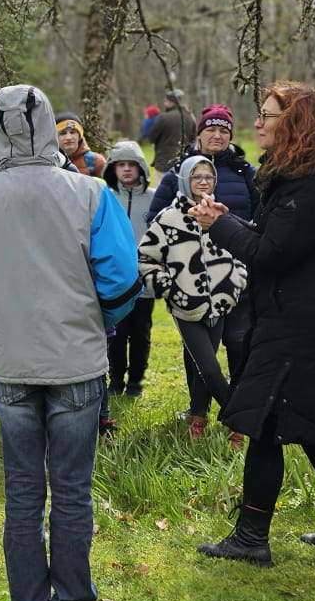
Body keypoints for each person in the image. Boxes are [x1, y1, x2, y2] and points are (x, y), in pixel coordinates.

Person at [0, 84, 139, 601]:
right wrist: (95, 320)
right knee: (71, 490)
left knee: (23, 492)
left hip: (13, 364)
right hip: (76, 362)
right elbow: (123, 279)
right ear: (50, 126)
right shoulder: (90, 193)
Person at [190, 80, 315, 567]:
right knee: (312, 425)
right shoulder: (307, 176)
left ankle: (251, 537)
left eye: (268, 115)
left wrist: (220, 226)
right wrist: (233, 221)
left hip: (306, 323)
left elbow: (270, 254)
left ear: (295, 122)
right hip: (303, 316)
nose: (258, 123)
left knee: (266, 420)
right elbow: (280, 241)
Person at [148, 103, 260, 409]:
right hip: (191, 279)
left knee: (239, 342)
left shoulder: (246, 173)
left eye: (224, 130)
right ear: (199, 133)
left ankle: (243, 409)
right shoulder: (178, 173)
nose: (217, 135)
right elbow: (154, 218)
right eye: (211, 129)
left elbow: (261, 219)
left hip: (236, 277)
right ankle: (197, 411)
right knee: (198, 352)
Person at [139, 155, 249, 442]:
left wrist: (235, 282)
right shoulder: (169, 218)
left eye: (208, 176)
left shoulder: (220, 216)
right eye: (196, 176)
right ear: (185, 180)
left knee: (203, 369)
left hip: (219, 305)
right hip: (186, 307)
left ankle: (197, 420)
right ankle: (239, 423)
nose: (203, 181)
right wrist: (170, 289)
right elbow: (146, 258)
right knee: (211, 369)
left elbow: (242, 251)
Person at [101, 141, 156, 398]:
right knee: (117, 332)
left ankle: (135, 382)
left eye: (131, 165)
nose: (126, 169)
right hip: (115, 279)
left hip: (145, 278)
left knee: (141, 333)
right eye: (120, 164)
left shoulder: (154, 199)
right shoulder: (106, 198)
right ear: (112, 169)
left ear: (141, 167)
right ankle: (115, 379)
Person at [144, 89, 195, 173]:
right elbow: (193, 139)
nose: (164, 103)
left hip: (164, 163)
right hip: (184, 163)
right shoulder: (190, 117)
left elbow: (151, 138)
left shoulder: (163, 117)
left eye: (166, 101)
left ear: (171, 102)